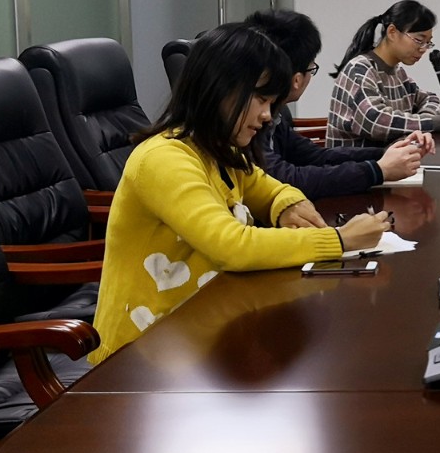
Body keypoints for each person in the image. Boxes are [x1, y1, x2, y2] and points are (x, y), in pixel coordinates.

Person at [89, 24, 390, 364]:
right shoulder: (164, 159)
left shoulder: (217, 150)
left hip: (200, 331)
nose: (266, 115)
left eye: (272, 103)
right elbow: (232, 246)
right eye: (261, 99)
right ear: (220, 89)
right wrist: (339, 240)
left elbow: (265, 186)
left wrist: (285, 204)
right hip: (139, 356)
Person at [244, 9, 423, 197]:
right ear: (297, 79)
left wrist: (387, 154)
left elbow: (316, 156)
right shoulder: (249, 121)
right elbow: (286, 179)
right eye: (312, 68)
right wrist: (378, 170)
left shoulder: (278, 112)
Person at [326, 0, 440, 148]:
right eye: (419, 40)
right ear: (392, 32)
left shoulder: (398, 73)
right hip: (356, 167)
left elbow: (430, 98)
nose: (423, 49)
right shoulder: (359, 70)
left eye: (428, 43)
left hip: (387, 164)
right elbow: (375, 121)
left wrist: (424, 120)